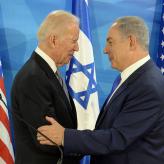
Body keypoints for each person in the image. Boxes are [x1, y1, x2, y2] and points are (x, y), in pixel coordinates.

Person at [37, 16, 164, 164]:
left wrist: (65, 136)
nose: (105, 50)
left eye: (110, 42)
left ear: (131, 42)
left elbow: (118, 138)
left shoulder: (148, 86)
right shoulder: (130, 78)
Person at [11, 10, 80, 164]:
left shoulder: (46, 72)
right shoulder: (33, 77)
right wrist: (84, 145)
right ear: (53, 40)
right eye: (74, 40)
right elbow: (47, 140)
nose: (77, 48)